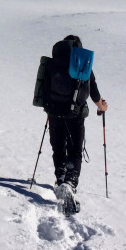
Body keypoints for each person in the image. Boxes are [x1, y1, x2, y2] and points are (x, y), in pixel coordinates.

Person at [44, 34, 107, 194]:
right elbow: (94, 93)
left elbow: (43, 88)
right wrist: (102, 107)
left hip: (54, 113)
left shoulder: (53, 64)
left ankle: (60, 178)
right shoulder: (84, 66)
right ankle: (70, 183)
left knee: (58, 148)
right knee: (75, 151)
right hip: (76, 115)